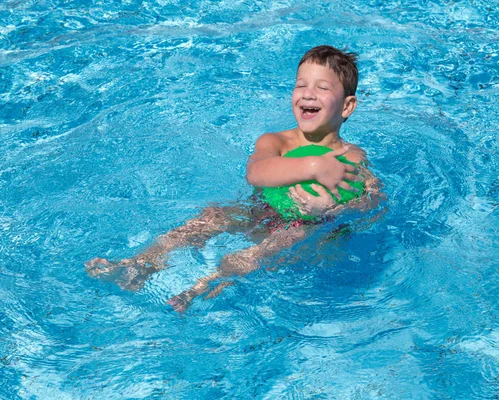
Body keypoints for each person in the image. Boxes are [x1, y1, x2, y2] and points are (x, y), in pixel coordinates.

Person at [85, 45, 381, 312]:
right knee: (212, 214)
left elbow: (372, 201)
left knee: (281, 241)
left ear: (347, 106)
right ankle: (140, 264)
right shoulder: (276, 141)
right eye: (300, 84)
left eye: (322, 88)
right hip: (261, 210)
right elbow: (256, 172)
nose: (307, 93)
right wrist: (313, 166)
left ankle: (205, 285)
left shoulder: (353, 156)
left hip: (309, 228)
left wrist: (333, 210)